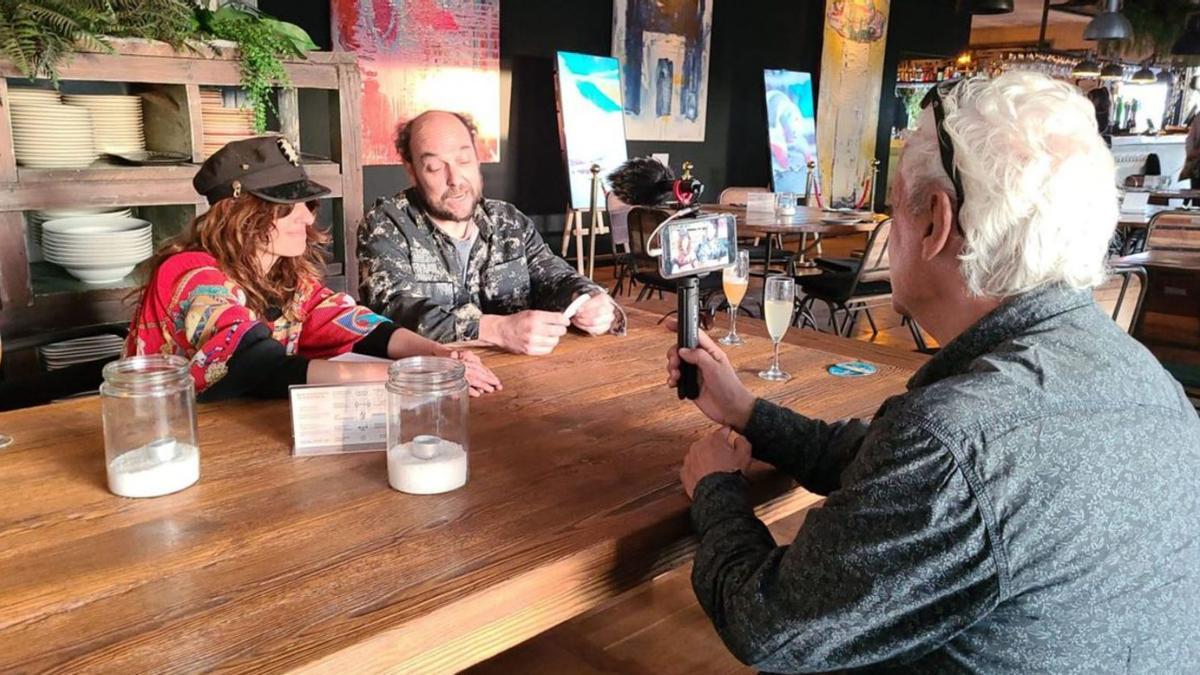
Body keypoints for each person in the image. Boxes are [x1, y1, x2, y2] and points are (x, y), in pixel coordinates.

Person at [666, 72, 1200, 672]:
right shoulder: (1143, 376)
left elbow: (769, 624)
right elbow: (891, 468)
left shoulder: (955, 437)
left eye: (894, 205)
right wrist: (749, 413)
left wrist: (716, 489)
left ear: (934, 220)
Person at [125, 136, 501, 400]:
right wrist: (417, 375)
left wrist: (438, 355)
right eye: (288, 206)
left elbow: (356, 325)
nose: (306, 217)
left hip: (241, 433)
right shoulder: (189, 273)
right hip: (172, 437)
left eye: (309, 204)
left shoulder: (285, 276)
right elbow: (257, 363)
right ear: (240, 215)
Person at [358, 110, 622, 356]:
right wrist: (498, 330)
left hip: (525, 384)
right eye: (435, 168)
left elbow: (555, 276)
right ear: (412, 171)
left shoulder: (508, 221)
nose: (455, 179)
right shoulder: (387, 224)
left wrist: (589, 300)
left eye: (464, 160)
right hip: (431, 386)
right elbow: (396, 310)